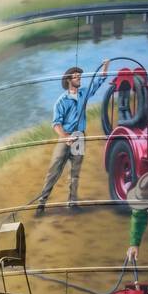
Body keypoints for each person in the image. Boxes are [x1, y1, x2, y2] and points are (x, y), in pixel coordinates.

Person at [35, 60, 110, 215]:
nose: (79, 79)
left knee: (75, 172)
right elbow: (56, 124)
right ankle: (41, 203)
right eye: (76, 77)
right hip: (66, 138)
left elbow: (99, 82)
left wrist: (105, 67)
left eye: (80, 77)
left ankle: (72, 202)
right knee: (54, 170)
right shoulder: (61, 101)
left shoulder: (83, 93)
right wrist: (65, 137)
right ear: (69, 80)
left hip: (80, 137)